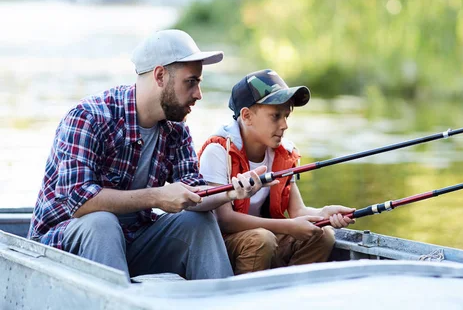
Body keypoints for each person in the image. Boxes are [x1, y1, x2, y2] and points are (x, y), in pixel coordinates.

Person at [28, 29, 266, 280]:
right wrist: (157, 197)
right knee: (102, 223)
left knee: (200, 221)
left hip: (133, 240)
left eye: (199, 83)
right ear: (160, 75)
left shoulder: (176, 128)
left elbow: (195, 192)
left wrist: (230, 191)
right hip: (60, 248)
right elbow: (79, 201)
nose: (199, 94)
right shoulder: (89, 117)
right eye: (191, 82)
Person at [197, 69, 355, 275]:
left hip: (267, 238)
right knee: (262, 239)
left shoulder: (283, 153)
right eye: (275, 116)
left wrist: (324, 213)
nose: (285, 125)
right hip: (221, 245)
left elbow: (298, 212)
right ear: (246, 116)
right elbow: (225, 220)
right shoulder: (218, 151)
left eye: (287, 116)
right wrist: (288, 226)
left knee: (323, 234)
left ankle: (290, 295)